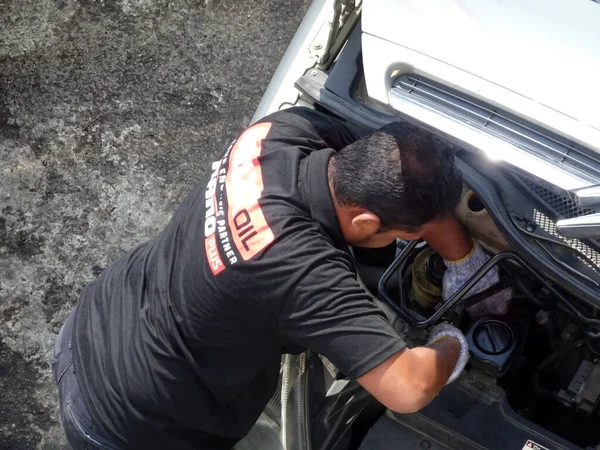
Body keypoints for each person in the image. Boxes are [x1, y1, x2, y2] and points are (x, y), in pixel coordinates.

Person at [50, 107, 509, 449]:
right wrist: (452, 341)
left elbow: (401, 168)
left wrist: (465, 262)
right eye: (413, 235)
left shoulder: (282, 132)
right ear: (367, 223)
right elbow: (408, 387)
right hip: (129, 422)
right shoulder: (302, 271)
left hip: (95, 322)